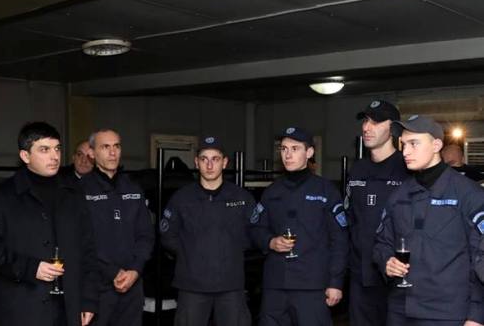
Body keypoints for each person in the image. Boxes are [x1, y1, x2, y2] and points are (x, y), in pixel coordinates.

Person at [0, 122, 99, 326]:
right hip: (22, 307)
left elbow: (88, 249)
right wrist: (30, 268)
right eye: (44, 150)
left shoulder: (73, 193)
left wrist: (88, 300)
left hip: (67, 307)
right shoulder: (1, 196)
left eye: (57, 149)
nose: (54, 156)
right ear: (25, 156)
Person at [373, 115, 484, 326]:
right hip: (400, 310)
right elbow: (382, 242)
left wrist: (477, 315)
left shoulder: (468, 194)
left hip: (448, 314)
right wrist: (387, 261)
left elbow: (480, 257)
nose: (405, 152)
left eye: (414, 144)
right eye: (403, 144)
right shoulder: (398, 195)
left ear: (436, 145)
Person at [250, 127, 348, 326]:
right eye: (284, 149)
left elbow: (340, 240)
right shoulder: (272, 191)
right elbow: (255, 229)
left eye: (295, 149)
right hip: (276, 285)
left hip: (311, 286)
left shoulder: (326, 190)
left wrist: (335, 282)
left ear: (309, 152)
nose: (288, 155)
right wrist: (270, 242)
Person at [160, 136, 255, 326]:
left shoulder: (241, 197)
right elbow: (167, 236)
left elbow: (254, 233)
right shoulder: (182, 198)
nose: (209, 165)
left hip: (231, 285)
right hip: (192, 286)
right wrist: (193, 253)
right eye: (204, 159)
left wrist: (229, 251)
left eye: (215, 159)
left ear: (224, 162)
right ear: (196, 162)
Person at [80, 129, 154, 326]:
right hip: (96, 287)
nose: (113, 152)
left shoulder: (133, 187)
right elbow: (80, 242)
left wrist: (135, 270)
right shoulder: (80, 190)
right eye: (105, 147)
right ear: (92, 153)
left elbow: (146, 235)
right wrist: (112, 272)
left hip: (132, 285)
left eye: (116, 146)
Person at [345, 100, 409, 326]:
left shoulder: (407, 168)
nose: (366, 127)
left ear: (393, 129)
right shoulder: (358, 169)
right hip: (361, 275)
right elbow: (350, 218)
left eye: (376, 122)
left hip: (397, 276)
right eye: (365, 121)